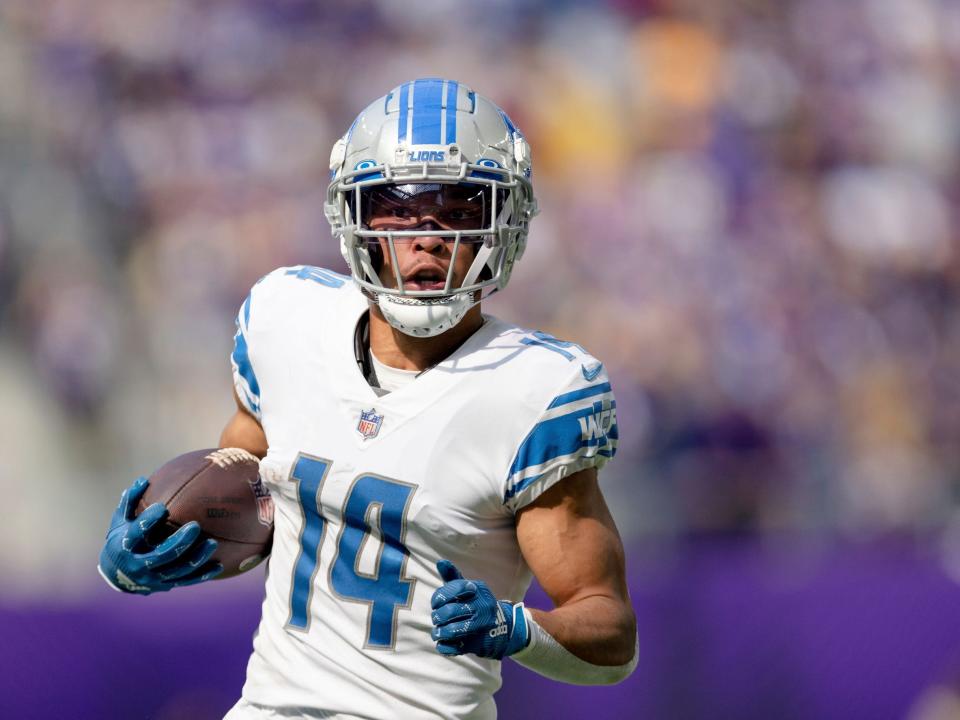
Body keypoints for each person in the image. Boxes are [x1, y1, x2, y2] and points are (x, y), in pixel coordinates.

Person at [98, 78, 637, 720]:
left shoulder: (536, 389)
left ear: (505, 222)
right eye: (397, 208)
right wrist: (155, 550)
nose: (427, 236)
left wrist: (518, 629)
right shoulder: (285, 318)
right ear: (351, 216)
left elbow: (610, 634)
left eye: (461, 209)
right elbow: (251, 504)